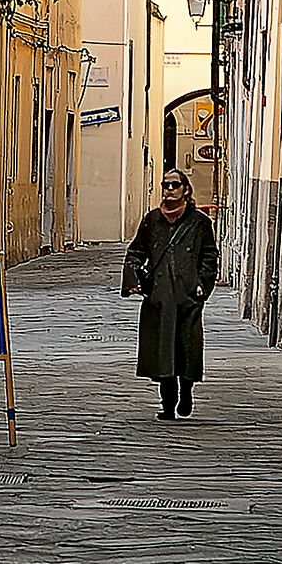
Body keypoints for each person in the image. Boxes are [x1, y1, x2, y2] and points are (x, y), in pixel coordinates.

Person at [121, 169, 218, 418]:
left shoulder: (199, 222)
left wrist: (201, 285)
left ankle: (186, 392)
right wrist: (133, 279)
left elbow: (209, 256)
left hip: (188, 297)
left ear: (185, 189)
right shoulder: (152, 220)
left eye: (175, 185)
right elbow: (136, 251)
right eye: (166, 185)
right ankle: (167, 404)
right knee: (162, 352)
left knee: (187, 348)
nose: (170, 189)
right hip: (160, 297)